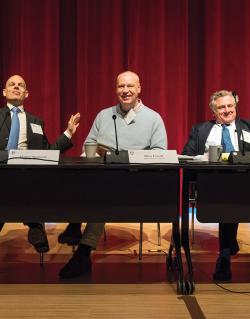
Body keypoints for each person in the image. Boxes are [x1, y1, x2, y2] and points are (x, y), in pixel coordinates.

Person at [0, 68, 81, 280]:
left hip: (27, 178)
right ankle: (34, 224)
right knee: (3, 202)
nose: (16, 87)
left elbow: (47, 153)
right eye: (11, 84)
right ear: (4, 92)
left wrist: (67, 133)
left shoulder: (36, 122)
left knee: (5, 204)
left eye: (20, 85)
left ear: (26, 94)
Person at [58, 71, 168, 279]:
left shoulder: (153, 119)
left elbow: (160, 153)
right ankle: (81, 250)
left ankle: (78, 237)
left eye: (130, 86)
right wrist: (91, 155)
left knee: (101, 192)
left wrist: (126, 158)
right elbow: (89, 144)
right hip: (101, 180)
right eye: (121, 87)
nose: (125, 91)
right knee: (91, 184)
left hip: (136, 182)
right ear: (115, 89)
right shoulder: (104, 115)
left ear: (139, 88)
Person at [182, 90, 250, 281]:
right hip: (211, 183)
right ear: (213, 111)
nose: (226, 110)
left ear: (235, 107)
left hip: (244, 182)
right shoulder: (201, 130)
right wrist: (204, 159)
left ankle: (225, 255)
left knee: (231, 194)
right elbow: (187, 156)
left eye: (230, 106)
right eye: (221, 107)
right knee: (228, 193)